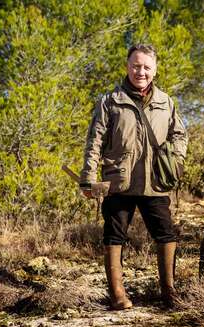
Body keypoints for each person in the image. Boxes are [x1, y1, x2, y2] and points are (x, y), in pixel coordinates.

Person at [79, 44, 187, 310]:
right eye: (136, 66)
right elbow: (95, 141)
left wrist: (176, 161)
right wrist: (88, 177)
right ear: (127, 66)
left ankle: (168, 292)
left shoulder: (166, 101)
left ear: (155, 69)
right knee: (114, 235)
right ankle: (117, 295)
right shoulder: (110, 101)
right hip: (119, 182)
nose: (141, 71)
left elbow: (179, 135)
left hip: (156, 183)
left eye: (147, 67)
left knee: (166, 233)